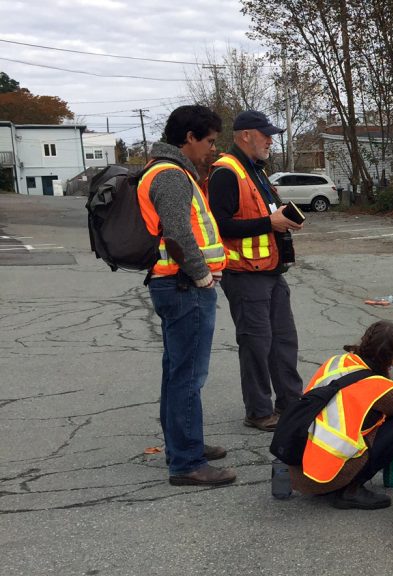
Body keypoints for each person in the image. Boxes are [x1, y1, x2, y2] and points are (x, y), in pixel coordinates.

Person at [139, 105, 234, 486]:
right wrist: (202, 277)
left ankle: (184, 443)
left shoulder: (164, 170)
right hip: (184, 286)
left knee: (177, 371)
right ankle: (187, 461)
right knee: (188, 375)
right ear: (190, 138)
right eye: (209, 141)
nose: (212, 148)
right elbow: (178, 233)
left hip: (174, 284)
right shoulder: (172, 176)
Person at [207, 110, 304, 432]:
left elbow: (264, 215)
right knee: (257, 346)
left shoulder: (256, 171)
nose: (270, 140)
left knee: (284, 341)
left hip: (270, 271)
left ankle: (291, 404)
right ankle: (259, 411)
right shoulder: (226, 172)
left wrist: (282, 221)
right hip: (244, 274)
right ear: (246, 135)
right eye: (265, 134)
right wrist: (269, 222)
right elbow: (220, 225)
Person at [290, 320, 393, 509]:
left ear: (364, 340)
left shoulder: (336, 362)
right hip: (327, 477)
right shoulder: (378, 387)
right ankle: (350, 490)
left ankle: (344, 481)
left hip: (298, 464)